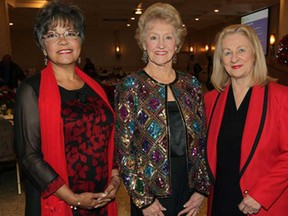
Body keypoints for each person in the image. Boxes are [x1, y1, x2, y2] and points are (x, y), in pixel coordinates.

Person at [14, 1, 119, 216]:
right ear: (43, 45)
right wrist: (74, 199)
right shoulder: (31, 89)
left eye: (71, 32)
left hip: (101, 197)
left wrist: (115, 177)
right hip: (60, 200)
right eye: (52, 35)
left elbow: (109, 136)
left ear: (80, 40)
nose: (63, 40)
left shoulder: (96, 87)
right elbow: (29, 156)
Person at [114, 3, 210, 216]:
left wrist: (202, 189)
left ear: (177, 44)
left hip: (188, 185)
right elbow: (123, 150)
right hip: (150, 190)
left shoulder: (191, 85)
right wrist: (143, 198)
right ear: (144, 43)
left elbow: (202, 140)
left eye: (168, 37)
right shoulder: (131, 85)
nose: (161, 44)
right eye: (154, 37)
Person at [204, 24, 288, 216]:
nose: (234, 58)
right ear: (220, 60)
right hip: (221, 200)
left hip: (262, 205)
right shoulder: (211, 100)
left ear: (255, 54)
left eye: (241, 50)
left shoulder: (281, 97)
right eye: (227, 52)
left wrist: (261, 195)